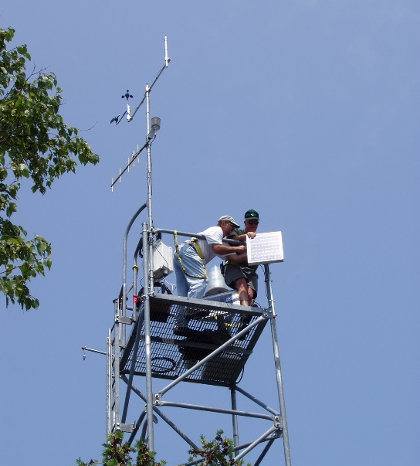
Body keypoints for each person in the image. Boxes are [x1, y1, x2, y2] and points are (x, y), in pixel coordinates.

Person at [173, 215, 246, 335]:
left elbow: (234, 257)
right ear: (223, 223)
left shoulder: (222, 241)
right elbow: (217, 249)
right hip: (190, 251)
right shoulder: (216, 231)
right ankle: (191, 308)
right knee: (201, 281)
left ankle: (179, 324)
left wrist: (252, 255)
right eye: (231, 225)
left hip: (182, 253)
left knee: (183, 294)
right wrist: (238, 247)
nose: (232, 229)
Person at [223, 209, 260, 307]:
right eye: (250, 222)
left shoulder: (259, 241)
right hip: (234, 267)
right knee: (242, 284)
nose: (253, 225)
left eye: (256, 222)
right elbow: (231, 239)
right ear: (245, 222)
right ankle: (245, 311)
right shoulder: (237, 232)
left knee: (250, 293)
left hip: (250, 271)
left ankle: (245, 316)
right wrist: (246, 236)